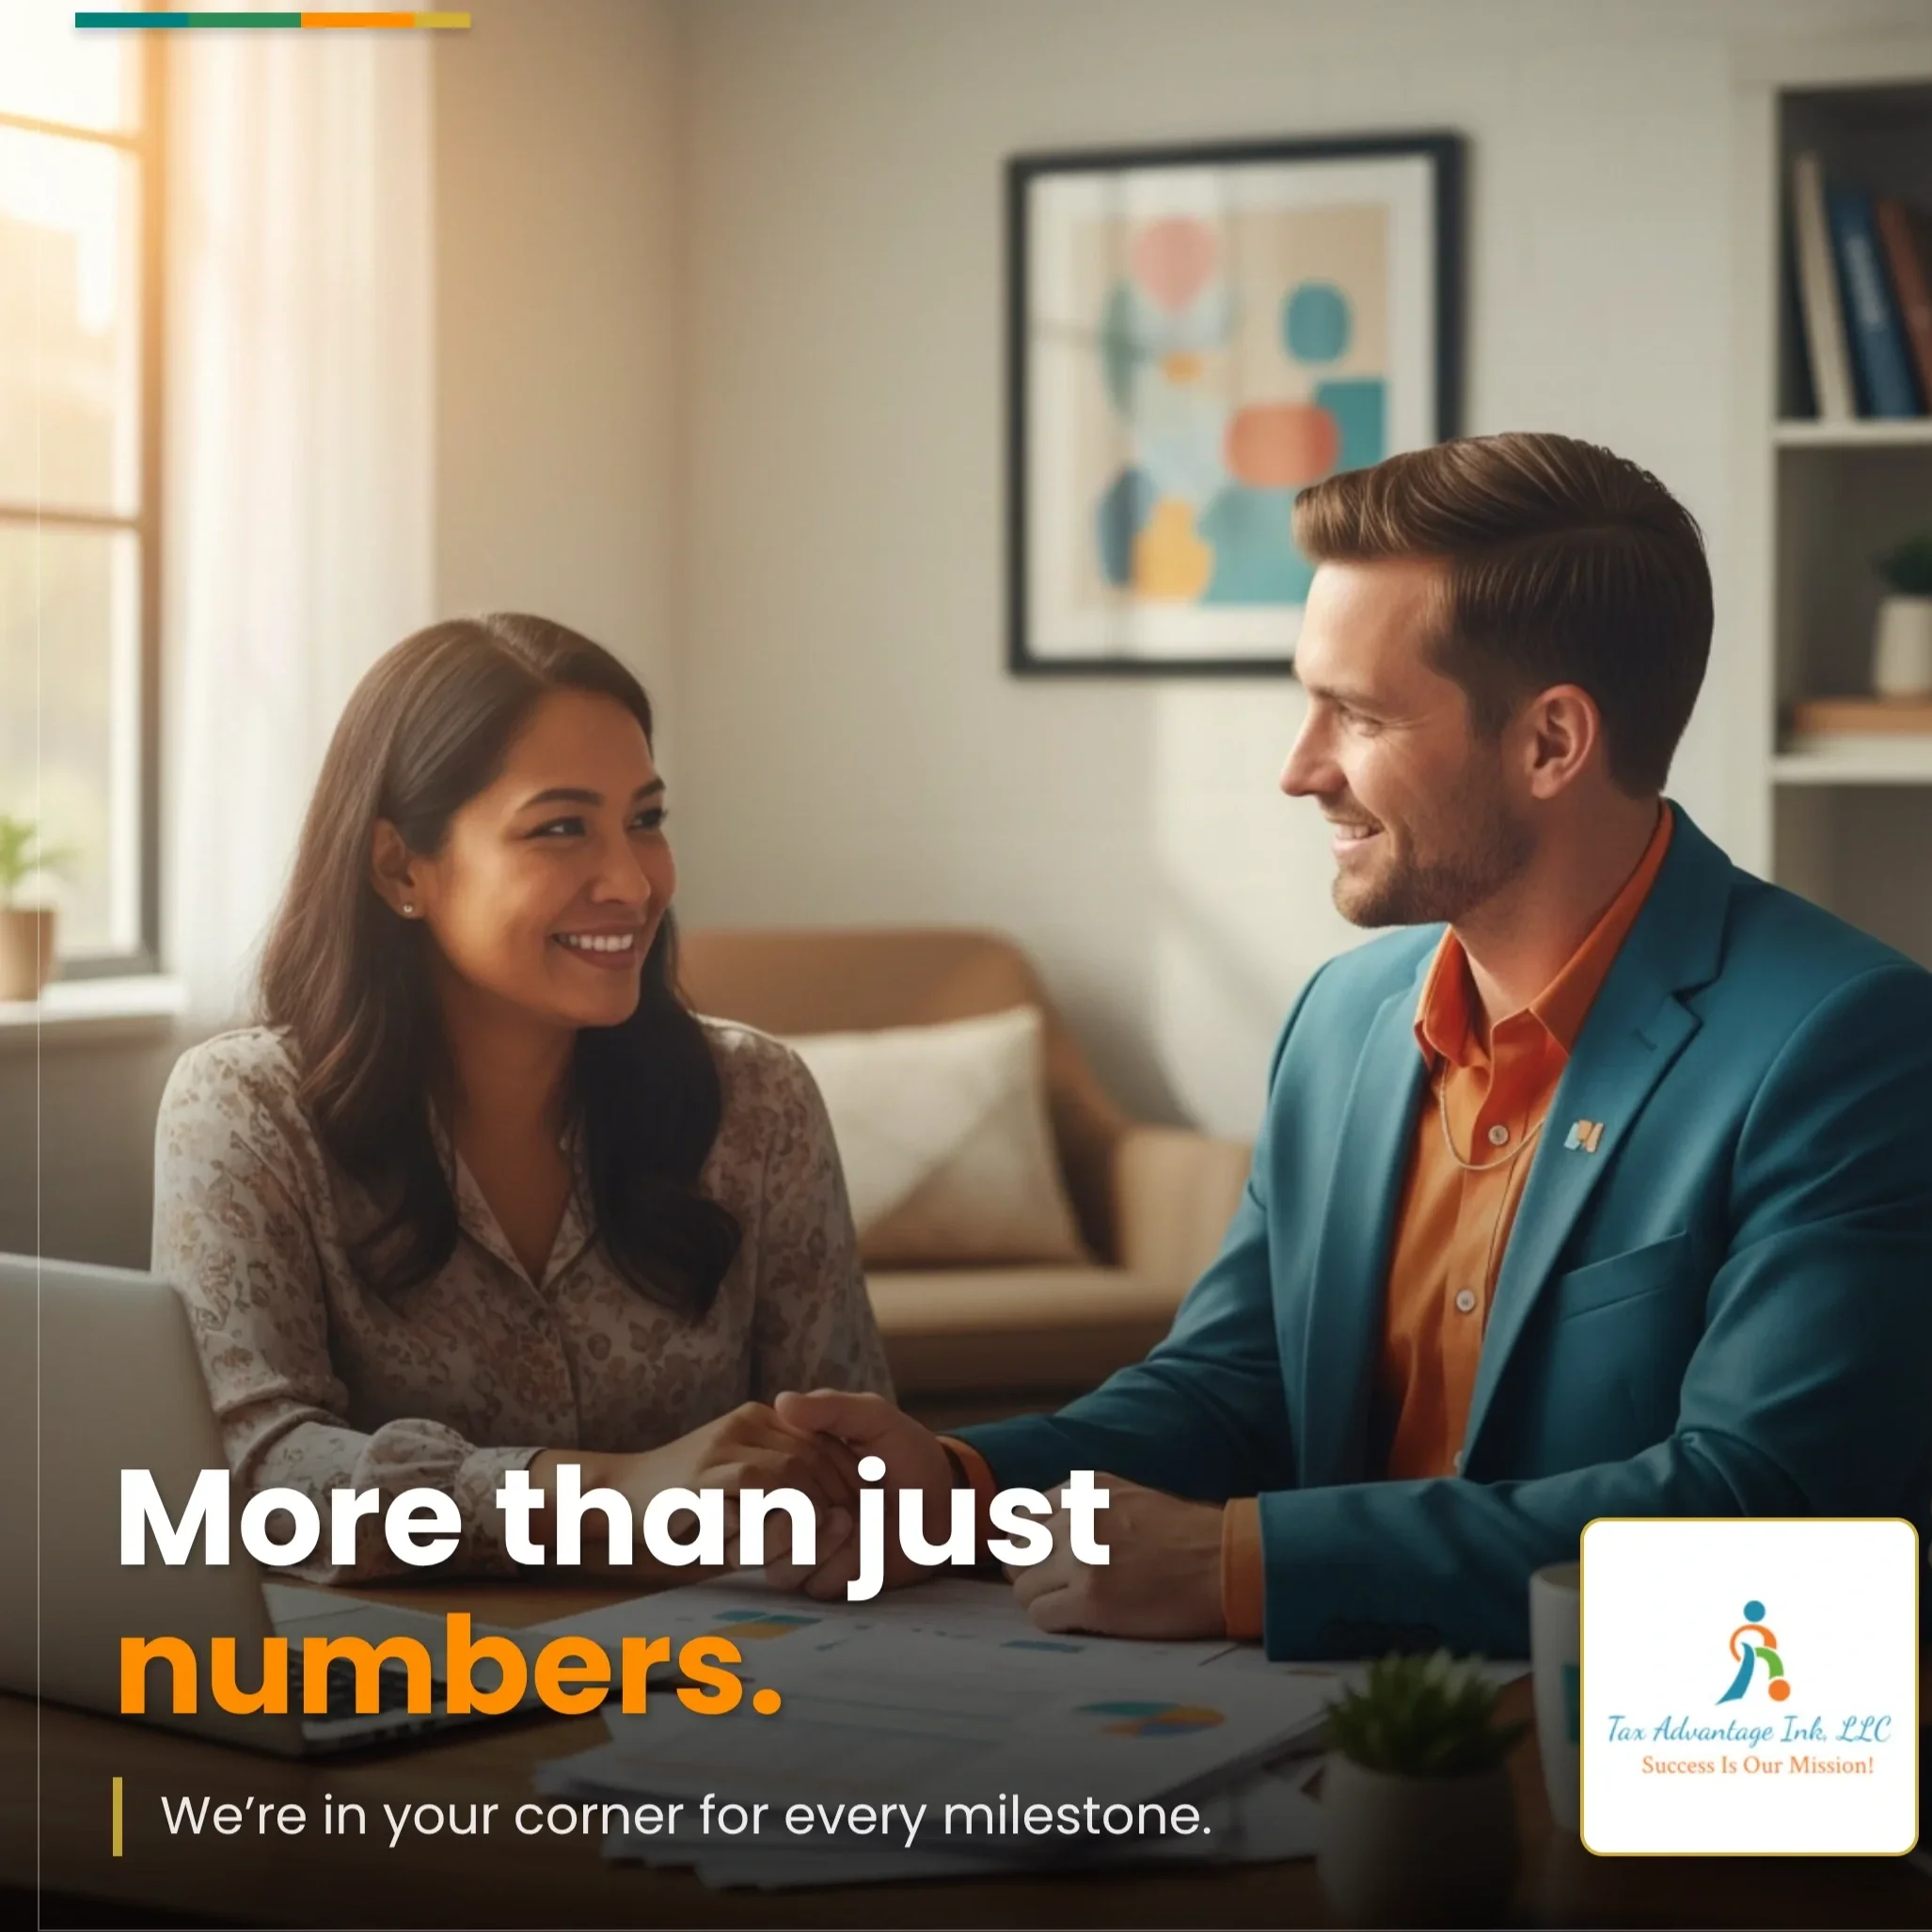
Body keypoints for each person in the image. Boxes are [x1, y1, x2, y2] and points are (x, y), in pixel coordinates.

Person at [774, 432, 1932, 1658]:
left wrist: (1240, 1565)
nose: (1298, 767)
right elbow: (1236, 1385)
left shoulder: (1845, 1045)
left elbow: (1754, 1510)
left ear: (1550, 742)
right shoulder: (1342, 1018)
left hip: (1633, 1762)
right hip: (1304, 1738)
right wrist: (956, 1487)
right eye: (1305, 700)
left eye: (1358, 714)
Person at [153, 613, 889, 1581]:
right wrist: (603, 1490)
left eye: (645, 819)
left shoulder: (756, 1099)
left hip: (716, 1680)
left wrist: (847, 1507)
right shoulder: (248, 1111)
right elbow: (247, 1477)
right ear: (398, 866)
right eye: (560, 828)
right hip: (402, 1684)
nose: (632, 880)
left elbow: (856, 1457)